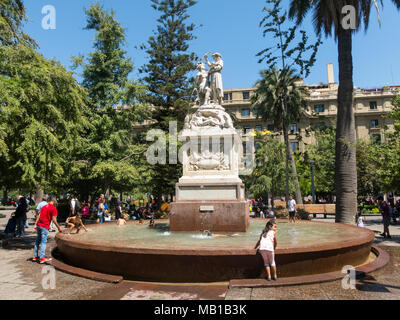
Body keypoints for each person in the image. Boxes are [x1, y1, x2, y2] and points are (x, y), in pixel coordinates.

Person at [33, 196, 63, 264]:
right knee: (43, 242)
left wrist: (35, 224)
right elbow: (54, 220)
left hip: (39, 226)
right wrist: (59, 227)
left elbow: (39, 216)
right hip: (44, 226)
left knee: (37, 241)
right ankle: (42, 258)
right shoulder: (53, 208)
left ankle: (35, 256)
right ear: (54, 200)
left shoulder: (44, 207)